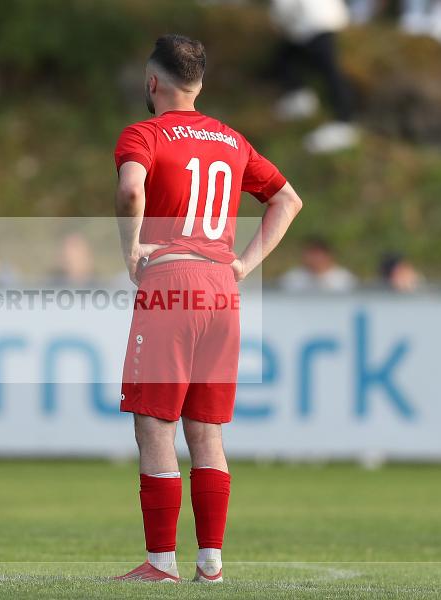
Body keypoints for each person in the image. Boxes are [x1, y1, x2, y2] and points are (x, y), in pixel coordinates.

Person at [113, 35, 302, 582]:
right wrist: (245, 263)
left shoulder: (144, 132)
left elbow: (130, 192)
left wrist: (130, 250)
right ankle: (211, 565)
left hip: (172, 278)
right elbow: (288, 199)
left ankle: (160, 564)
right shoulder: (231, 140)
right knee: (207, 431)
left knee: (154, 425)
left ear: (152, 83)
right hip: (222, 286)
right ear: (198, 84)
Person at [269, 0, 359, 153]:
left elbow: (284, 8)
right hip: (320, 21)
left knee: (329, 72)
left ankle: (344, 123)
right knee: (287, 58)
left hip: (313, 24)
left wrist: (278, 20)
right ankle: (301, 99)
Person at [280, 237, 357, 292]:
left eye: (318, 254)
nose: (315, 258)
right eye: (311, 253)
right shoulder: (292, 278)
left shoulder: (343, 279)